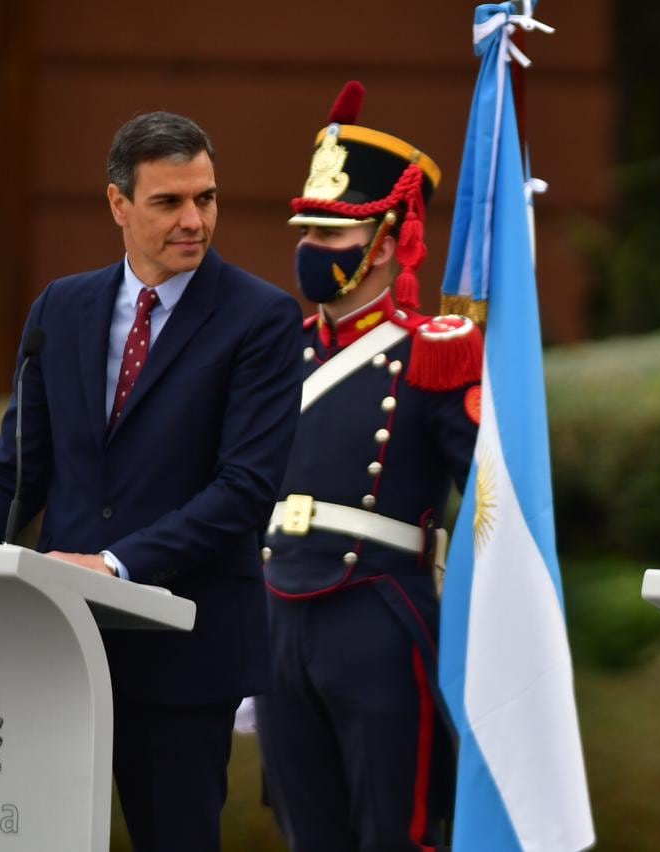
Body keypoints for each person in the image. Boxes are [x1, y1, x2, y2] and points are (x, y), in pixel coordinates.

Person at [0, 111, 302, 851]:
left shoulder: (261, 320)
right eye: (169, 202)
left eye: (206, 198)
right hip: (49, 644)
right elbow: (18, 469)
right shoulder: (59, 310)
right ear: (118, 204)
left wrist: (113, 565)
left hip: (185, 649)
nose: (194, 220)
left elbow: (245, 488)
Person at [254, 81, 482, 851]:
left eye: (333, 236)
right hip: (279, 608)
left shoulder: (437, 351)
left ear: (385, 243)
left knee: (397, 831)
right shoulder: (276, 353)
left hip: (378, 608)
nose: (310, 250)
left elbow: (491, 496)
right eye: (309, 230)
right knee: (304, 829)